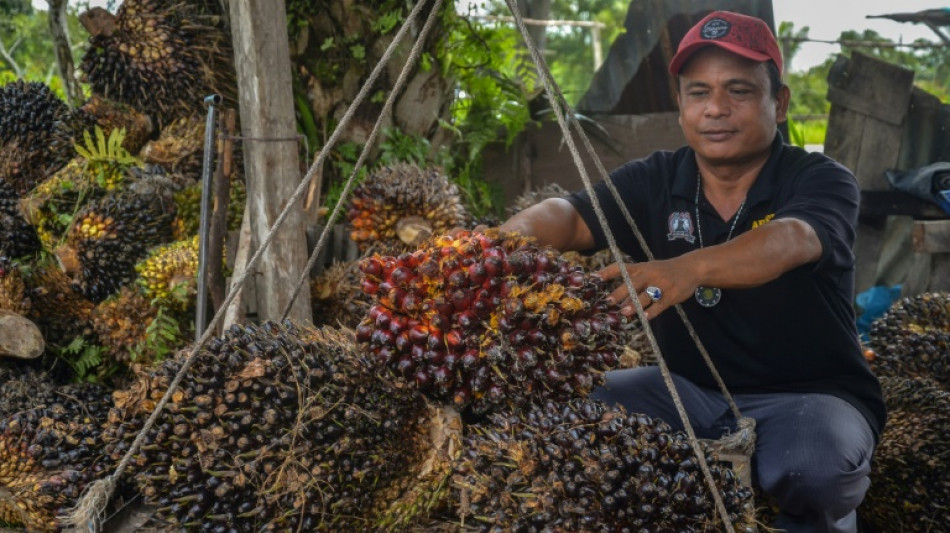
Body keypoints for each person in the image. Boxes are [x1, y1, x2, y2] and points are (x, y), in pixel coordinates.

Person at [497, 10, 885, 533]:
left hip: (811, 395)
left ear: (781, 101)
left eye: (739, 91)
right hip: (683, 389)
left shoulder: (820, 179)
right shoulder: (655, 178)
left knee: (809, 472)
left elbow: (793, 238)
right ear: (680, 104)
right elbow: (568, 216)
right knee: (559, 415)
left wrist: (689, 269)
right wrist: (490, 245)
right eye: (698, 92)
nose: (716, 109)